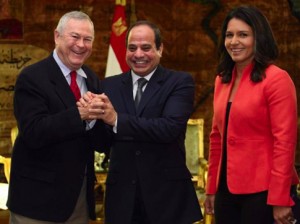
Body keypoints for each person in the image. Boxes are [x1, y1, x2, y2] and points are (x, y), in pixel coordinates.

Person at [79, 20, 203, 224]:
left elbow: (168, 129)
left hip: (167, 198)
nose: (138, 55)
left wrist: (116, 119)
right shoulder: (109, 85)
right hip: (122, 200)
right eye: (132, 48)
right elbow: (103, 143)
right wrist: (91, 118)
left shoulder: (180, 82)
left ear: (160, 49)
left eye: (146, 48)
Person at [7, 11, 109, 223]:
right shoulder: (32, 77)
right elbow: (34, 132)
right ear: (57, 36)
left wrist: (102, 118)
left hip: (78, 201)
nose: (81, 45)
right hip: (36, 203)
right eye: (74, 36)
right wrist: (80, 114)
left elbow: (99, 141)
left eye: (87, 39)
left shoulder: (91, 79)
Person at [204, 5, 299, 224]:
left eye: (243, 35)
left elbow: (284, 142)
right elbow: (216, 137)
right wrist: (211, 187)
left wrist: (280, 197)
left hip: (263, 191)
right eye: (229, 35)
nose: (234, 41)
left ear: (259, 38)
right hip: (225, 191)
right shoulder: (222, 79)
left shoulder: (277, 79)